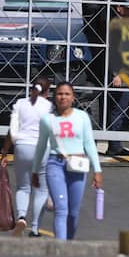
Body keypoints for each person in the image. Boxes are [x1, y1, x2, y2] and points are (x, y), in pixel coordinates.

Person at [31, 81, 103, 240]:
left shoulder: (82, 117)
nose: (63, 97)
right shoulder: (47, 119)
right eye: (59, 94)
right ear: (54, 96)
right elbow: (41, 146)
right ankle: (61, 247)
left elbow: (89, 144)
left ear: (73, 97)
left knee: (73, 212)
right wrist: (35, 170)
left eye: (67, 94)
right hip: (55, 164)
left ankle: (69, 244)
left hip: (78, 165)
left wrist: (97, 170)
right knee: (61, 209)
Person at [0, 76, 53, 236]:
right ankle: (35, 228)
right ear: (48, 91)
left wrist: (5, 150)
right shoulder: (49, 106)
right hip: (42, 148)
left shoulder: (20, 103)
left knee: (23, 187)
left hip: (22, 146)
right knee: (41, 190)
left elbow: (12, 129)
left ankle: (21, 218)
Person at [106, 0, 129, 156]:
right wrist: (117, 74)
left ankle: (115, 144)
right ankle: (114, 145)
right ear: (119, 8)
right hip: (121, 75)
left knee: (119, 110)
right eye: (127, 9)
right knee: (118, 110)